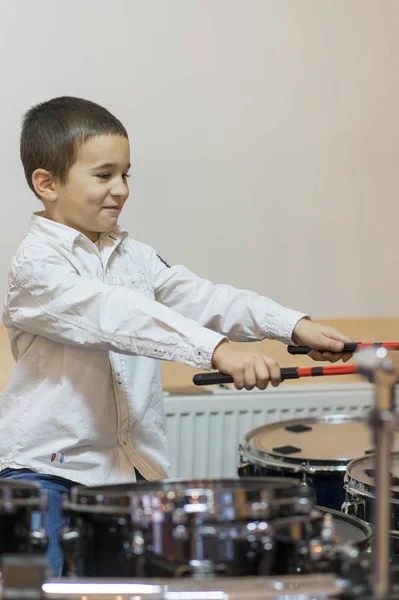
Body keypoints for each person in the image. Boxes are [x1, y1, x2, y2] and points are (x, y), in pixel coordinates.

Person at [0, 96, 352, 575]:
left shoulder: (135, 257)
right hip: (48, 473)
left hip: (129, 474)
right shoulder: (35, 267)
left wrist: (290, 324)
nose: (120, 189)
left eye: (126, 175)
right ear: (47, 183)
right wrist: (218, 351)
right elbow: (116, 315)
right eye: (103, 176)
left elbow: (205, 298)